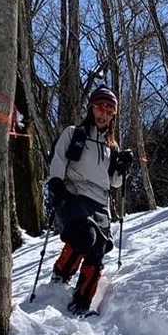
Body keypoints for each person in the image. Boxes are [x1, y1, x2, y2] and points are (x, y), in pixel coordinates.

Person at [46, 86, 135, 314]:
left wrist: (123, 167)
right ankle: (61, 275)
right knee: (85, 236)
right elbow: (58, 158)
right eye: (100, 107)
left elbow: (114, 182)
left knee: (99, 248)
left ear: (113, 115)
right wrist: (55, 183)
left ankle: (82, 303)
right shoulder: (74, 133)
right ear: (91, 108)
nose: (104, 113)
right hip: (74, 194)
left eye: (109, 110)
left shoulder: (111, 146)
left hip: (100, 202)